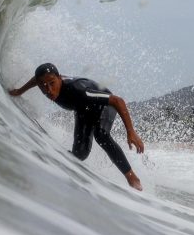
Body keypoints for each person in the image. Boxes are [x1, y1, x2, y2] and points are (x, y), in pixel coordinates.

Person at [9, 63, 144, 191]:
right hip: (83, 108)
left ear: (59, 78)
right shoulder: (45, 81)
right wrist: (19, 91)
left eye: (52, 83)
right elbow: (37, 79)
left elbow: (117, 100)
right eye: (43, 85)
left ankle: (132, 178)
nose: (48, 90)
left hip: (105, 105)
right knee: (80, 154)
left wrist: (131, 132)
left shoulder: (78, 90)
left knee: (101, 135)